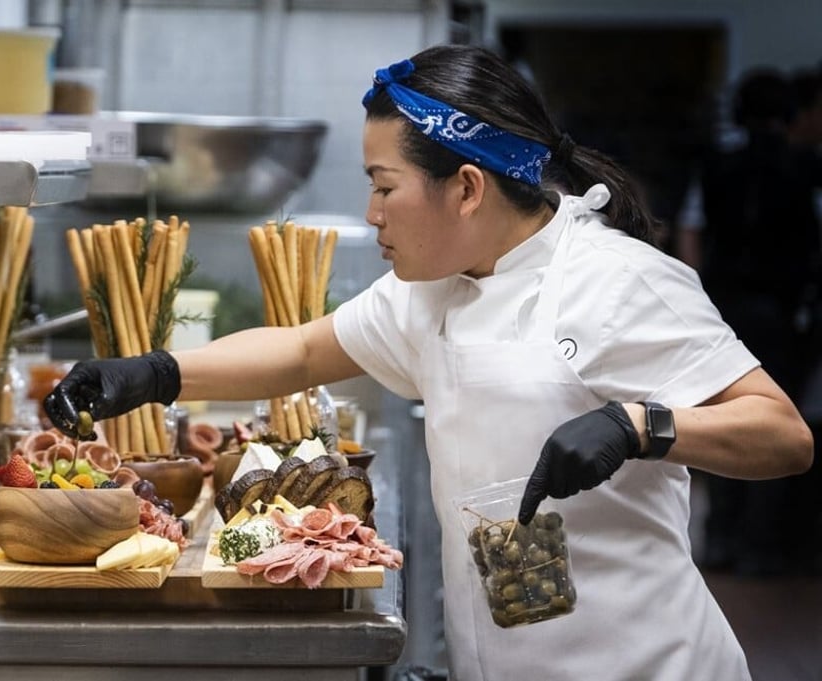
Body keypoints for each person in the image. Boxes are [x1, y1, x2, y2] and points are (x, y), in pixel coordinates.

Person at [43, 45, 813, 680]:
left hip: (649, 666)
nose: (372, 213)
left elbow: (784, 434)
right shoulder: (432, 289)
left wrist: (642, 425)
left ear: (467, 188)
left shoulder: (618, 281)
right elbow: (306, 348)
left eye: (384, 186)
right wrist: (150, 372)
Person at [698, 67, 822, 576]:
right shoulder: (805, 168)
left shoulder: (718, 167)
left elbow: (702, 234)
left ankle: (721, 539)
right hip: (782, 312)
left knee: (722, 417)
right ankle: (761, 546)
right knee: (776, 420)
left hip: (727, 308)